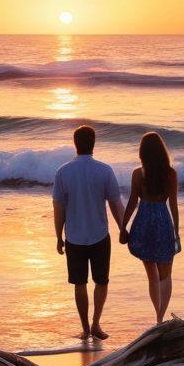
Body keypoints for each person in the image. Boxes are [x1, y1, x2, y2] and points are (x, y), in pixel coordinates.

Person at [52, 125, 124, 341]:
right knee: (102, 281)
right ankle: (96, 324)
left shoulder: (63, 172)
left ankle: (85, 328)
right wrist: (123, 229)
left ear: (75, 144)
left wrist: (58, 236)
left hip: (74, 236)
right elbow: (115, 204)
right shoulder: (104, 170)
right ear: (94, 144)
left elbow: (59, 209)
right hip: (100, 235)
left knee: (79, 283)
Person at [119, 131, 181, 323]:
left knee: (152, 276)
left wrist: (124, 226)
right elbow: (173, 204)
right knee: (165, 275)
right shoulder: (170, 174)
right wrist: (176, 231)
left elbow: (131, 202)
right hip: (162, 221)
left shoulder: (138, 173)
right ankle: (160, 317)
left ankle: (159, 319)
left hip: (143, 221)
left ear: (142, 152)